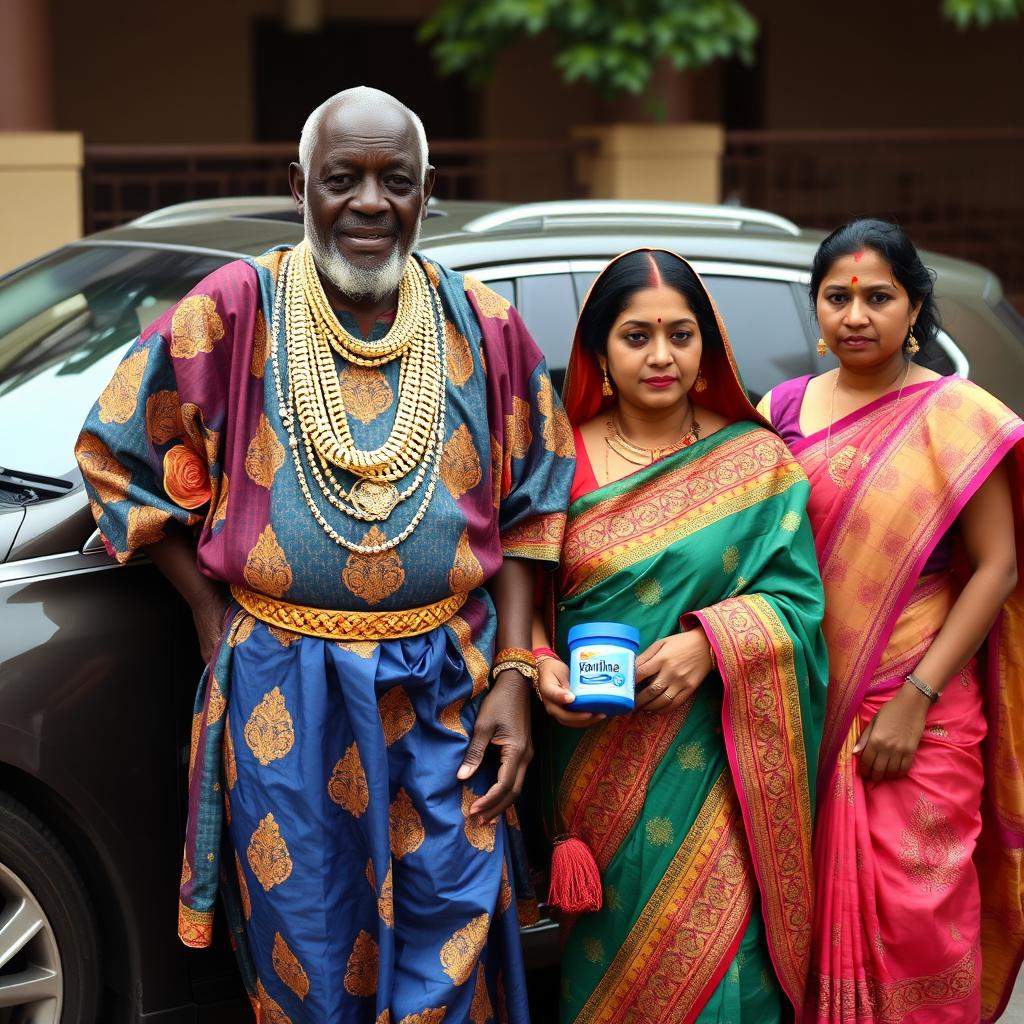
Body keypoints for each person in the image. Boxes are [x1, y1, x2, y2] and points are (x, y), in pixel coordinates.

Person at [75, 86, 574, 1023]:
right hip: (285, 690)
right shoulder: (233, 308)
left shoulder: (486, 325)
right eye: (343, 180)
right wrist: (204, 608)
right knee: (304, 953)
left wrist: (513, 669)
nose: (371, 203)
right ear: (300, 185)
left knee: (451, 949)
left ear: (431, 191)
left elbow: (533, 506)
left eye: (397, 181)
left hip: (451, 693)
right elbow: (114, 456)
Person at [532, 249, 827, 1023]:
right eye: (636, 336)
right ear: (599, 352)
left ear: (708, 349)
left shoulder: (756, 461)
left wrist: (713, 642)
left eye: (681, 334)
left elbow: (799, 602)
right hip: (595, 759)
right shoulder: (556, 463)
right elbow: (520, 598)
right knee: (614, 960)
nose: (661, 356)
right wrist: (536, 666)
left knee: (724, 959)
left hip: (718, 763)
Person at [757, 219, 1024, 1023]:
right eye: (836, 297)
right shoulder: (780, 411)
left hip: (921, 717)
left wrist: (916, 694)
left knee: (919, 922)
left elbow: (999, 567)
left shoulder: (957, 417)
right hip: (804, 719)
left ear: (915, 308)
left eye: (879, 297)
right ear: (816, 309)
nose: (856, 315)